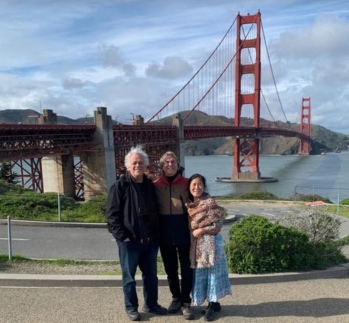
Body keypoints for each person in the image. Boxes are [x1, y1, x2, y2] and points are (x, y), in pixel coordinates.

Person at [105, 145, 167, 321]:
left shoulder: (150, 186)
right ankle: (131, 307)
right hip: (129, 241)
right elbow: (111, 215)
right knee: (129, 277)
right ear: (127, 166)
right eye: (134, 163)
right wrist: (122, 237)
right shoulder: (119, 186)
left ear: (146, 166)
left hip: (150, 240)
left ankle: (151, 304)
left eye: (141, 162)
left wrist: (157, 235)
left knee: (151, 276)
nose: (138, 165)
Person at [153, 151, 194, 320]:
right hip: (164, 231)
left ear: (178, 164)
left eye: (173, 162)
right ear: (162, 166)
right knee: (170, 269)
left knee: (187, 268)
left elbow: (199, 199)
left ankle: (186, 301)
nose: (170, 165)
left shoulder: (187, 183)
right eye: (166, 162)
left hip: (183, 229)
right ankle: (175, 298)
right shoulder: (155, 184)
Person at [186, 173, 232, 322]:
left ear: (204, 187)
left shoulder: (210, 202)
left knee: (212, 275)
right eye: (193, 184)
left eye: (199, 184)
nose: (196, 187)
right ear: (189, 187)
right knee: (202, 275)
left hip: (212, 245)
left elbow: (218, 224)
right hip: (197, 246)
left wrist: (202, 230)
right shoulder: (189, 205)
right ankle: (214, 302)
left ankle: (212, 305)